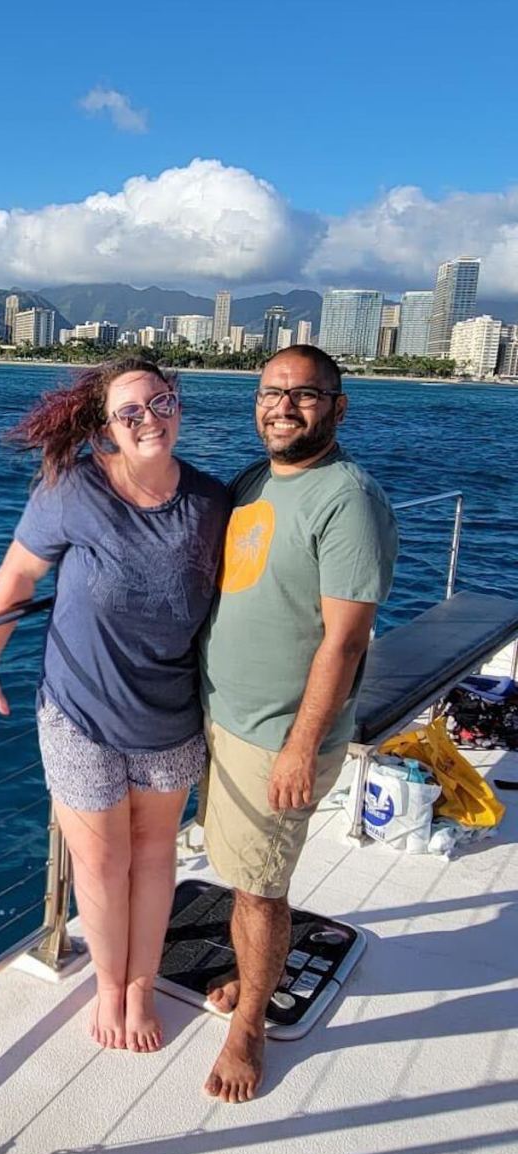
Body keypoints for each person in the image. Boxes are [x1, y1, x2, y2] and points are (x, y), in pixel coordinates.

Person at [0, 358, 228, 1052]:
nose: (148, 419)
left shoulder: (210, 503)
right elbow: (18, 574)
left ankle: (144, 984)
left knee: (153, 851)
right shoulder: (74, 489)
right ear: (106, 426)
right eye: (129, 412)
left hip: (169, 713)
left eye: (159, 403)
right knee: (103, 862)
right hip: (78, 711)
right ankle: (113, 984)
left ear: (178, 405)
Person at [198, 344, 398, 1102]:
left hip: (279, 734)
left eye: (305, 394)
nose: (283, 406)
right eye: (271, 392)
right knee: (245, 872)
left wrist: (301, 746)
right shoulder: (255, 481)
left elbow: (345, 640)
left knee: (259, 889)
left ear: (339, 408)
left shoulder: (348, 499)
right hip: (223, 716)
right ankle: (251, 976)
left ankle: (250, 1025)